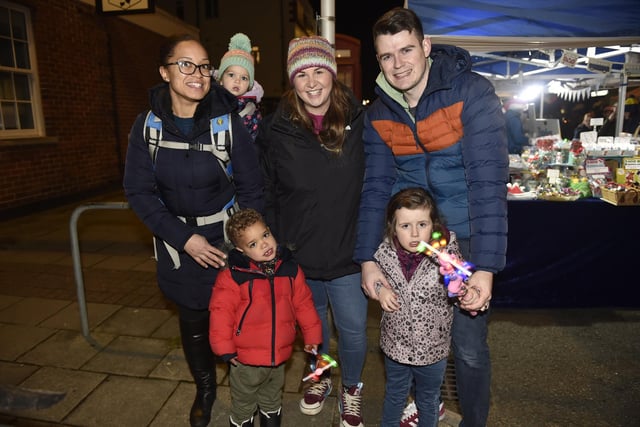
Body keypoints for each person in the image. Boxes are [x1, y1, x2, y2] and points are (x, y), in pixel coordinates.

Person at [355, 7, 509, 427]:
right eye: (387, 56)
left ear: (425, 46)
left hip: (466, 238)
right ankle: (428, 407)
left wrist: (488, 267)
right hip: (414, 243)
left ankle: (473, 420)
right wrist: (368, 259)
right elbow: (375, 190)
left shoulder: (471, 93)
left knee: (469, 346)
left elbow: (488, 183)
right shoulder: (379, 113)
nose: (398, 64)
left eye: (406, 50)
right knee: (414, 334)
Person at [123, 34, 263, 427]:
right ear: (165, 72)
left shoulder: (227, 121)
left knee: (238, 321)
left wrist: (245, 243)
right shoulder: (146, 126)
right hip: (177, 245)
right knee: (193, 322)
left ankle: (245, 393)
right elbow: (138, 191)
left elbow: (253, 189)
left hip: (227, 241)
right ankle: (205, 389)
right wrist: (185, 239)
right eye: (186, 65)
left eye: (203, 66)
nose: (197, 74)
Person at [255, 35, 367, 427]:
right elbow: (266, 191)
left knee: (352, 332)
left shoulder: (358, 120)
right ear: (292, 80)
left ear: (333, 76)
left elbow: (374, 184)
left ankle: (351, 388)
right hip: (300, 252)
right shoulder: (274, 130)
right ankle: (320, 376)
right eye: (302, 74)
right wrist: (274, 243)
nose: (312, 82)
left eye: (320, 71)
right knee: (313, 328)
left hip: (350, 253)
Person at [209, 208, 322, 427]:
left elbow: (303, 304)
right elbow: (220, 313)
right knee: (244, 402)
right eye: (253, 244)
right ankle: (243, 421)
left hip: (279, 354)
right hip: (245, 359)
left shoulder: (290, 269)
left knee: (272, 396)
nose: (264, 244)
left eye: (265, 235)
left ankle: (271, 418)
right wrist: (224, 347)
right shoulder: (232, 277)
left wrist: (312, 335)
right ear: (241, 251)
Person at [374, 187, 462, 427]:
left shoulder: (446, 252)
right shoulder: (384, 253)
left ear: (433, 224)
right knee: (395, 394)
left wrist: (454, 280)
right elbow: (374, 280)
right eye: (405, 226)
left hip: (433, 347)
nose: (414, 233)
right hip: (396, 345)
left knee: (429, 398)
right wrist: (380, 291)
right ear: (393, 227)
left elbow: (458, 291)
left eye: (422, 224)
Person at [216, 32, 263, 140]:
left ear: (249, 85)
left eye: (244, 78)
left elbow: (254, 139)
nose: (237, 81)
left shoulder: (250, 109)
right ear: (221, 79)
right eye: (231, 75)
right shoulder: (211, 102)